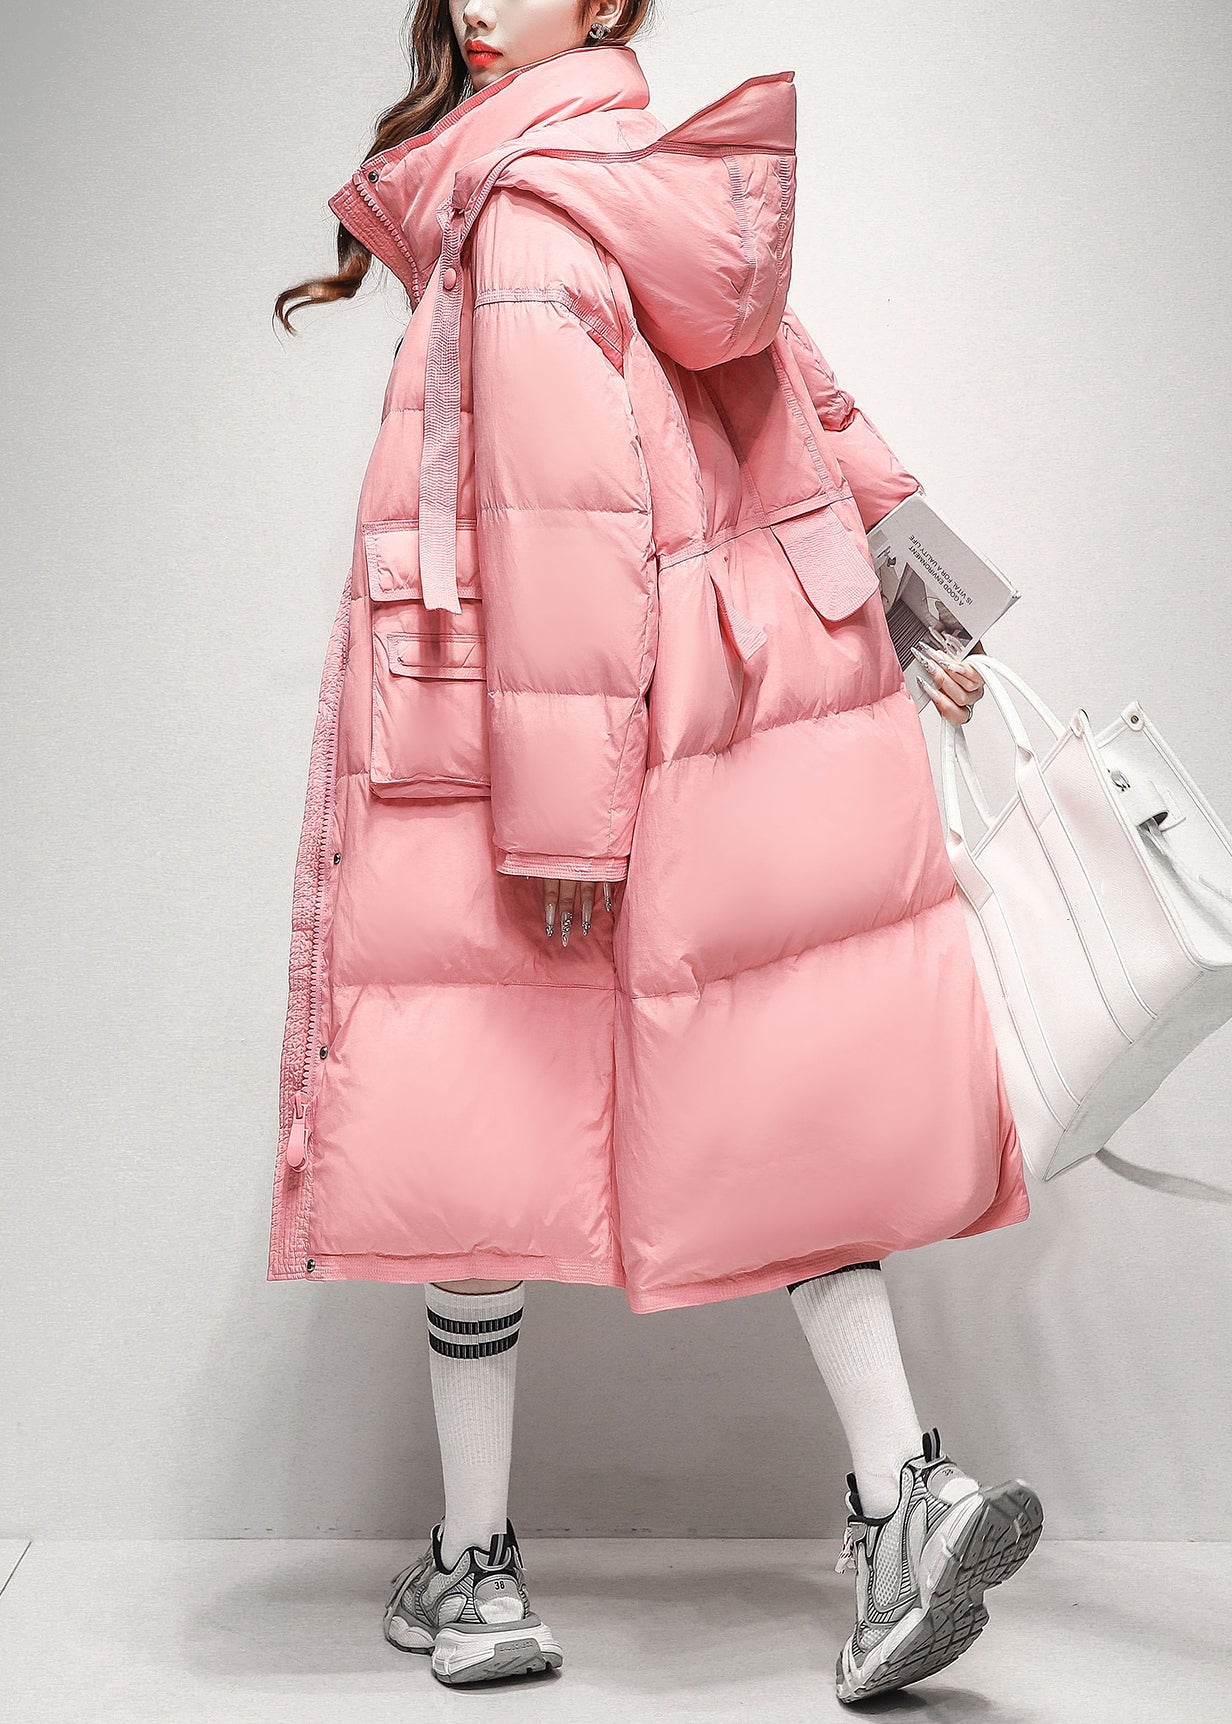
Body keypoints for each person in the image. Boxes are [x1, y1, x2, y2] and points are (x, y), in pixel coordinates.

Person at [270, 0, 1042, 1704]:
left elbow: (562, 521)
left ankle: (478, 1575)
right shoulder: (657, 175)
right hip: (726, 708)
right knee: (769, 1106)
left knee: (472, 1121)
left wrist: (562, 820)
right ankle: (906, 1500)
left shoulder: (527, 208)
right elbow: (798, 391)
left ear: (607, 4)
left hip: (537, 753)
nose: (478, 1)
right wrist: (920, 594)